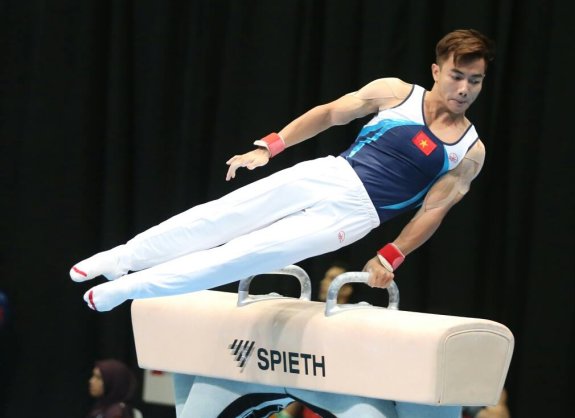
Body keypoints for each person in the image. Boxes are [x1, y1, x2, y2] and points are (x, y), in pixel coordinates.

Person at [70, 29, 494, 314]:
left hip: (353, 217)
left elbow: (433, 210)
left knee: (242, 256)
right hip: (330, 173)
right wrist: (271, 147)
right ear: (436, 71)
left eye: (474, 81)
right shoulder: (396, 93)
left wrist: (390, 255)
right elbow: (329, 114)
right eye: (456, 76)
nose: (463, 89)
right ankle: (121, 259)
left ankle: (127, 289)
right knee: (219, 216)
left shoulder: (469, 151)